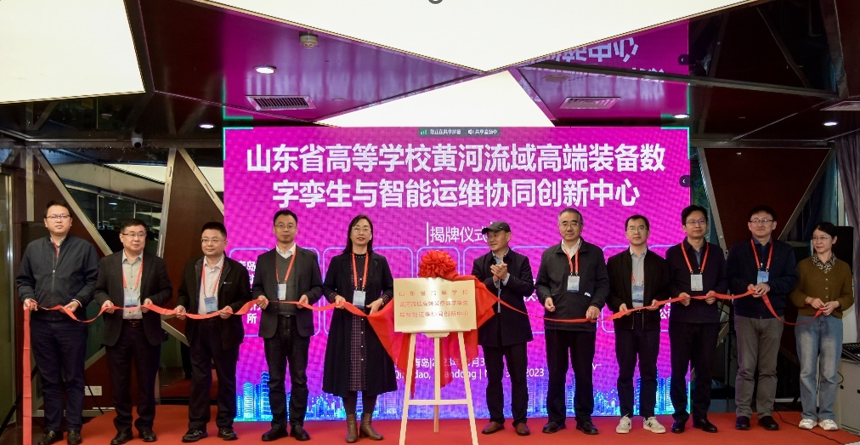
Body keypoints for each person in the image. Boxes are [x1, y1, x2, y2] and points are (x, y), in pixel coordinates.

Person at [18, 200, 99, 445]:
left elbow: (93, 281)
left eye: (63, 216)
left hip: (72, 323)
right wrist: (27, 296)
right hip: (41, 323)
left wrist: (78, 301)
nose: (59, 220)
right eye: (53, 217)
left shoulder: (84, 248)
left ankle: (74, 427)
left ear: (71, 221)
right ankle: (53, 428)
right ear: (45, 222)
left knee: (74, 377)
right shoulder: (33, 248)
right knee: (49, 378)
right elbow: (24, 280)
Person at [94, 219, 173, 444]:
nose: (136, 239)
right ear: (121, 237)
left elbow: (167, 291)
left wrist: (153, 300)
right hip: (117, 331)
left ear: (145, 237)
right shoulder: (108, 263)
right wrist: (105, 301)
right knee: (119, 383)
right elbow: (98, 290)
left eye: (141, 234)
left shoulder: (156, 263)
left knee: (146, 383)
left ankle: (145, 426)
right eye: (131, 234)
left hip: (145, 331)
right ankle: (123, 428)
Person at [322, 215, 396, 443]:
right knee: (349, 375)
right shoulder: (338, 261)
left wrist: (381, 301)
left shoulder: (380, 261)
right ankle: (352, 425)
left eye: (366, 229)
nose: (361, 232)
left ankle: (367, 423)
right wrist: (335, 298)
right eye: (357, 228)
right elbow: (326, 287)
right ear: (350, 233)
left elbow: (391, 288)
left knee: (371, 374)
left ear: (371, 235)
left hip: (372, 324)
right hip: (346, 324)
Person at [175, 222, 251, 442]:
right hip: (198, 328)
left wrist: (232, 308)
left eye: (214, 240)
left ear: (225, 243)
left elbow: (245, 298)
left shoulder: (237, 269)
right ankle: (197, 426)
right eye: (205, 240)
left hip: (225, 329)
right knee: (199, 379)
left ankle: (226, 425)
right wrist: (181, 305)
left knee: (226, 379)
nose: (209, 244)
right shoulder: (192, 266)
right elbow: (183, 293)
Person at [536, 208, 608, 436]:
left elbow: (603, 284)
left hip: (584, 324)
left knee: (584, 372)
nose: (569, 228)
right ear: (558, 227)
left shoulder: (594, 253)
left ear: (581, 226)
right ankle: (555, 419)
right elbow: (541, 284)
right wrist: (545, 298)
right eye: (564, 223)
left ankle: (584, 418)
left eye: (574, 223)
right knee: (556, 372)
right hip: (555, 324)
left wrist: (596, 304)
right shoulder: (549, 255)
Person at [252, 210, 323, 442]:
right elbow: (256, 287)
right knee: (275, 378)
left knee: (299, 377)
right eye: (281, 225)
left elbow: (318, 287)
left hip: (298, 324)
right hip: (272, 325)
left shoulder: (308, 257)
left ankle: (298, 424)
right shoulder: (264, 259)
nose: (285, 229)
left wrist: (308, 297)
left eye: (290, 225)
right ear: (274, 229)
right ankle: (278, 425)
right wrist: (260, 297)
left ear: (297, 229)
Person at [726, 206, 797, 431]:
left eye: (765, 220)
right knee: (746, 368)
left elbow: (792, 279)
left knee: (768, 369)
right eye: (755, 220)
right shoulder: (738, 250)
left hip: (773, 315)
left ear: (774, 225)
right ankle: (743, 413)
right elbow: (729, 278)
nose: (760, 224)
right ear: (749, 225)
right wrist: (745, 287)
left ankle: (766, 413)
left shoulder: (785, 251)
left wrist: (770, 285)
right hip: (745, 314)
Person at [665, 205, 727, 434]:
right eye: (692, 222)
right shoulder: (673, 253)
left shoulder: (716, 252)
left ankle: (701, 416)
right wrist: (677, 294)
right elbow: (667, 283)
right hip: (682, 319)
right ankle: (680, 416)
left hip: (708, 319)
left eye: (701, 221)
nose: (697, 225)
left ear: (707, 225)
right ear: (684, 227)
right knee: (679, 370)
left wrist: (716, 293)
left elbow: (724, 280)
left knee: (705, 371)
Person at [606, 215, 670, 434]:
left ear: (648, 232)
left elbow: (665, 290)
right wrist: (619, 305)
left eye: (641, 228)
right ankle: (625, 415)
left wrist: (658, 301)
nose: (636, 232)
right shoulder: (615, 262)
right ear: (626, 233)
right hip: (625, 325)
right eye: (632, 228)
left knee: (649, 371)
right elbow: (609, 292)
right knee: (625, 371)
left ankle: (649, 416)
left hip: (650, 324)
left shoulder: (659, 263)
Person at [471, 221, 535, 437]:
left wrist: (506, 278)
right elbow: (474, 290)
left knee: (519, 377)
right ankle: (496, 419)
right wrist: (494, 279)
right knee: (493, 377)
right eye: (488, 235)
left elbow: (528, 288)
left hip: (515, 328)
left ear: (508, 236)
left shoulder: (521, 261)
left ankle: (520, 420)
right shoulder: (480, 262)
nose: (491, 239)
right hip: (490, 329)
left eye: (496, 235)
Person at [790, 222, 854, 431]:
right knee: (807, 370)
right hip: (806, 321)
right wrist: (809, 299)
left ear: (834, 240)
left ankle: (826, 415)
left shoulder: (843, 267)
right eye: (815, 237)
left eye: (823, 238)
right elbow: (794, 293)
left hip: (833, 321)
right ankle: (808, 414)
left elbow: (849, 296)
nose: (818, 242)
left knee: (829, 372)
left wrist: (836, 304)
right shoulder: (803, 265)